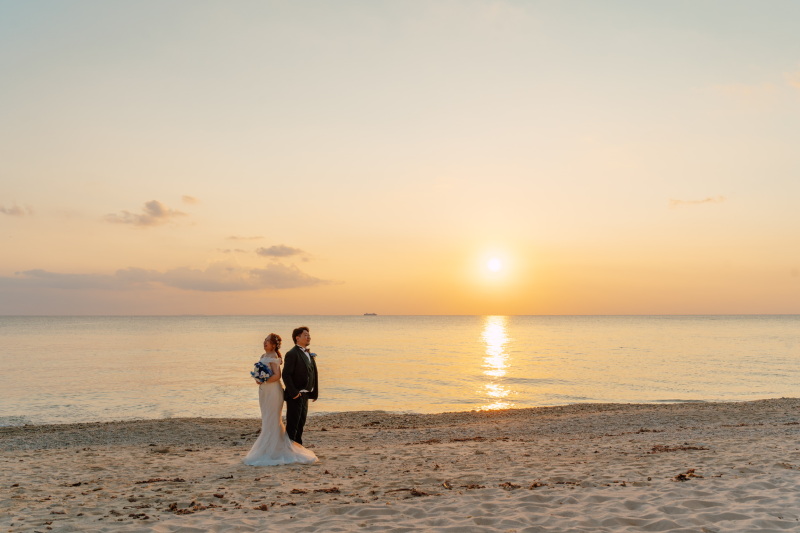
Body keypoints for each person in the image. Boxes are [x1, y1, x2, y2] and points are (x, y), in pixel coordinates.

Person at [242, 333, 317, 466]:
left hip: (274, 391)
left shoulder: (274, 356)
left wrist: (264, 380)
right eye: (264, 340)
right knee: (266, 418)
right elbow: (261, 372)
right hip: (264, 391)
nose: (264, 342)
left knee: (273, 419)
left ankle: (275, 449)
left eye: (267, 341)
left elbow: (277, 375)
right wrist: (258, 379)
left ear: (273, 345)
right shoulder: (263, 356)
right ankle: (268, 448)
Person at [282, 326, 318, 445]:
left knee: (301, 424)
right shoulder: (292, 353)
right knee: (293, 425)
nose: (309, 337)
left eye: (309, 335)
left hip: (305, 394)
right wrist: (294, 393)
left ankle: (297, 447)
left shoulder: (308, 354)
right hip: (295, 395)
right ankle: (288, 449)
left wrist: (314, 392)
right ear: (297, 338)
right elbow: (286, 375)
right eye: (305, 335)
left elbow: (313, 373)